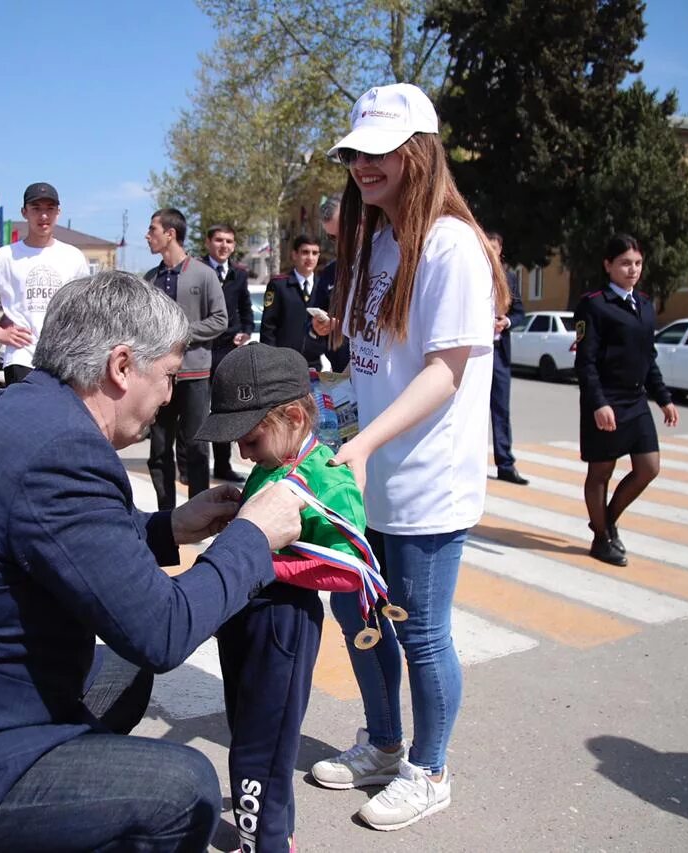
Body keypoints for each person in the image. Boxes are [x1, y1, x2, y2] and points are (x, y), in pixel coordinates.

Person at [0, 270, 306, 852]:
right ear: (122, 367)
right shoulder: (65, 453)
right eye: (169, 377)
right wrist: (251, 536)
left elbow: (64, 539)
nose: (171, 397)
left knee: (120, 677)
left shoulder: (27, 412)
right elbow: (163, 631)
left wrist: (171, 526)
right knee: (185, 790)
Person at [308, 83, 509, 831]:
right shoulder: (375, 241)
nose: (365, 164)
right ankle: (385, 743)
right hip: (368, 473)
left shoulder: (453, 245)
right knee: (353, 607)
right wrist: (328, 416)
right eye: (356, 152)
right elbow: (372, 364)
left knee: (420, 627)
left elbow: (444, 371)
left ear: (419, 153)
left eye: (381, 150)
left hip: (425, 478)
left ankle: (430, 767)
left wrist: (360, 441)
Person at [195, 344, 368, 853]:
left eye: (249, 440)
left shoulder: (326, 477)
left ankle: (263, 844)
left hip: (282, 626)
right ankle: (277, 833)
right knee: (246, 729)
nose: (243, 454)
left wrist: (266, 561)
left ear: (293, 415)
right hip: (244, 617)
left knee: (259, 752)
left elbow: (348, 567)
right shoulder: (281, 454)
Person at [573, 234, 679, 566]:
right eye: (624, 263)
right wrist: (598, 403)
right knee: (601, 472)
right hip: (606, 401)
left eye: (637, 263)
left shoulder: (645, 305)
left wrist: (664, 398)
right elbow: (585, 362)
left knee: (649, 467)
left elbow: (649, 357)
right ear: (608, 266)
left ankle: (607, 520)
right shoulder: (594, 304)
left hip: (636, 401)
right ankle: (601, 538)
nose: (632, 270)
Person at [0, 182, 90, 386]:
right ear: (24, 212)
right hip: (23, 357)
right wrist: (0, 333)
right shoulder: (6, 257)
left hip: (63, 358)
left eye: (50, 209)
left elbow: (87, 309)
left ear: (58, 212)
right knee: (27, 417)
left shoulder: (73, 257)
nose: (43, 216)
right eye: (36, 209)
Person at [143, 208, 227, 508]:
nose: (147, 235)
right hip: (158, 377)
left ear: (170, 234)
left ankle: (200, 514)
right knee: (159, 450)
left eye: (152, 229)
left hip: (194, 375)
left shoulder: (204, 274)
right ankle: (166, 516)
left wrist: (182, 332)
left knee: (197, 448)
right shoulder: (150, 279)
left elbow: (220, 319)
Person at [202, 224, 254, 483]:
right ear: (208, 242)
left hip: (228, 350)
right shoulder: (198, 270)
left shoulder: (238, 275)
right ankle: (192, 464)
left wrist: (245, 331)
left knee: (224, 409)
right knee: (197, 410)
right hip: (201, 348)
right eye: (219, 240)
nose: (224, 246)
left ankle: (222, 465)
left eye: (229, 241)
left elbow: (246, 308)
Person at [487, 231, 528, 485]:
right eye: (486, 246)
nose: (490, 251)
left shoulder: (509, 278)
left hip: (499, 354)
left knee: (501, 409)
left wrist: (508, 321)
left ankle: (505, 464)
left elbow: (521, 313)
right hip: (471, 354)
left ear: (500, 249)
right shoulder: (471, 272)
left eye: (494, 247)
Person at [262, 235, 322, 363]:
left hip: (313, 362)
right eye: (305, 252)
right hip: (282, 362)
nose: (310, 258)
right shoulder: (279, 285)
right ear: (294, 255)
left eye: (315, 253)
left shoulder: (323, 286)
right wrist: (271, 359)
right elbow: (268, 326)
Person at [310, 197, 351, 373]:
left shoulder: (384, 263)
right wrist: (317, 327)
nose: (340, 242)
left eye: (345, 233)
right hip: (340, 372)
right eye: (332, 237)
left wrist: (344, 326)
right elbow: (313, 316)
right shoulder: (330, 272)